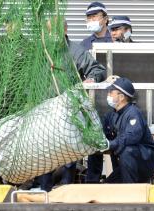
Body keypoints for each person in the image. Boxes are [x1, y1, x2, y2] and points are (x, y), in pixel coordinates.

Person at [34, 18, 107, 192]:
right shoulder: (40, 52)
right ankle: (44, 191)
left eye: (53, 30)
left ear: (64, 30)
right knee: (45, 155)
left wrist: (91, 79)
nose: (49, 35)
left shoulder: (75, 51)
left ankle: (66, 191)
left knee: (68, 156)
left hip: (68, 111)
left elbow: (98, 70)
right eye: (47, 31)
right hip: (44, 112)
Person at [102, 77, 154, 183]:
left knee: (127, 150)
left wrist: (111, 144)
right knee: (107, 186)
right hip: (127, 163)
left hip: (145, 160)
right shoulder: (112, 115)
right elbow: (105, 133)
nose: (108, 94)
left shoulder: (133, 113)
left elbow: (131, 137)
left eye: (111, 92)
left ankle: (131, 190)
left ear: (121, 97)